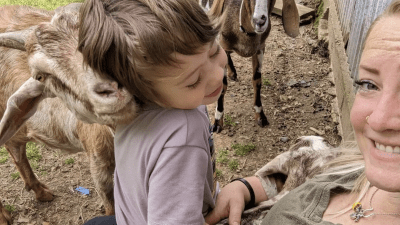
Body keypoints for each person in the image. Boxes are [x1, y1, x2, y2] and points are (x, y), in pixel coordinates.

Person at [204, 0, 400, 224]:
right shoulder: (353, 165)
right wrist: (247, 187)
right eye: (368, 84)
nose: (379, 120)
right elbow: (308, 160)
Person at [78, 0, 227, 224]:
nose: (217, 75)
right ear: (146, 91)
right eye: (194, 81)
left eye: (214, 51)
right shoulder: (183, 135)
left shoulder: (129, 111)